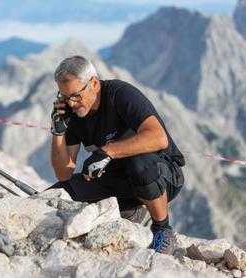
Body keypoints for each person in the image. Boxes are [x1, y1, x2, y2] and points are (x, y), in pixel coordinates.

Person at [49, 55, 185, 255]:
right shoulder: (73, 113)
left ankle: (162, 229)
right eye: (65, 97)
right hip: (116, 180)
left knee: (139, 161)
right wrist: (58, 132)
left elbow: (158, 137)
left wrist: (107, 152)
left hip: (162, 175)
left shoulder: (120, 94)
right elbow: (64, 173)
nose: (71, 103)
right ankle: (131, 209)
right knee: (59, 192)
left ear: (93, 83)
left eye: (76, 96)